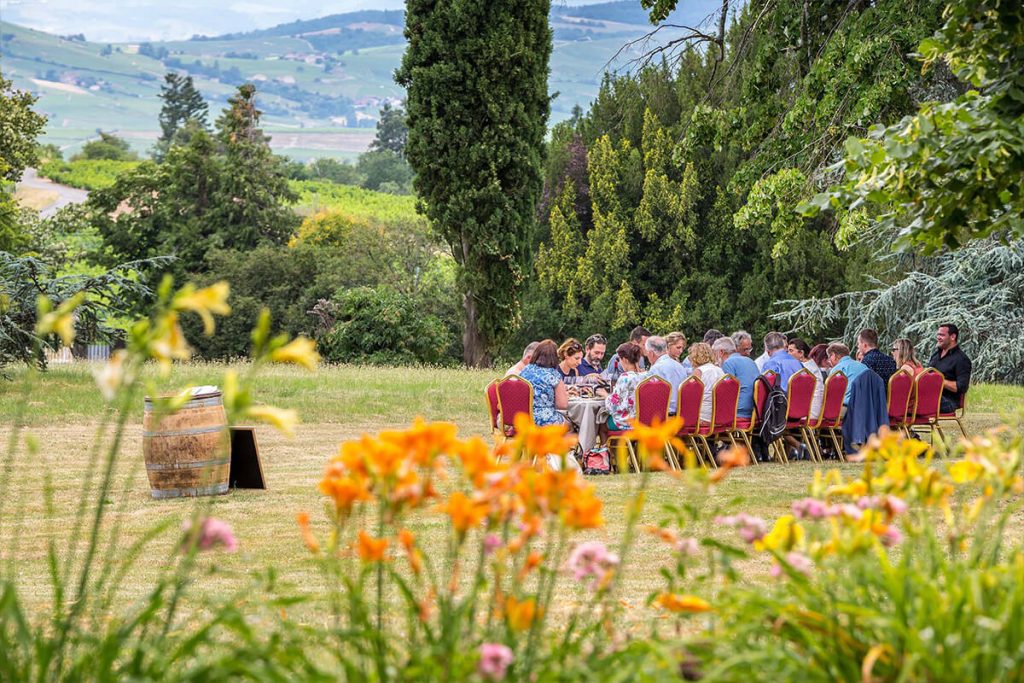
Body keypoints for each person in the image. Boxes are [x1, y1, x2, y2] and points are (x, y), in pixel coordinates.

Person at [519, 340, 569, 427]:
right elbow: (562, 404)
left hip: (524, 417)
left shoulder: (525, 370)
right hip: (544, 419)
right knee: (571, 426)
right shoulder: (554, 375)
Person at [928, 323, 972, 414]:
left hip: (949, 402)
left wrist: (938, 380)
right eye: (938, 334)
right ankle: (895, 426)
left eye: (942, 335)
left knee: (916, 400)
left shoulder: (962, 359)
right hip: (932, 396)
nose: (938, 337)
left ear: (952, 337)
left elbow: (962, 387)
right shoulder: (935, 356)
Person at [603, 342, 646, 431]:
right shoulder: (646, 376)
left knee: (601, 422)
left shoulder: (625, 378)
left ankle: (605, 444)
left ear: (625, 359)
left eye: (618, 359)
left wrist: (605, 395)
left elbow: (612, 407)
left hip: (628, 422)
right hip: (643, 421)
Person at [646, 335, 688, 414]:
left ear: (651, 353)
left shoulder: (656, 368)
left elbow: (651, 396)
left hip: (663, 415)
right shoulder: (680, 367)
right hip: (681, 414)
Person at [719, 336, 758, 419]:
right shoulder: (751, 361)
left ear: (721, 352)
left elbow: (727, 392)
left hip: (738, 412)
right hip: (755, 410)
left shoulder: (728, 363)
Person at [788, 337, 823, 420]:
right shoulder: (810, 366)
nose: (788, 354)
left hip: (807, 412)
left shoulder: (805, 370)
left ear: (801, 353)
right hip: (810, 409)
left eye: (791, 351)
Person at [689, 342, 724, 423]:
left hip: (702, 416)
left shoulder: (699, 372)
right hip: (718, 415)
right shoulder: (719, 370)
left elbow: (690, 396)